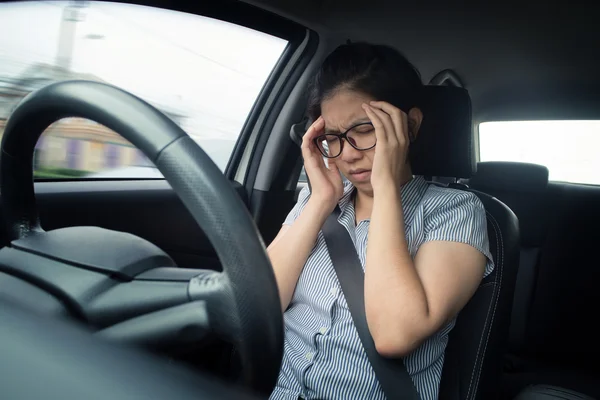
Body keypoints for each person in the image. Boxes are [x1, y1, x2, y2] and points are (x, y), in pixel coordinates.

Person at [267, 42, 494, 400]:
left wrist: (386, 186)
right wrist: (321, 200)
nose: (350, 154)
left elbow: (393, 335)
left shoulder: (456, 212)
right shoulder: (318, 203)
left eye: (366, 129)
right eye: (333, 138)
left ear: (411, 124)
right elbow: (258, 305)